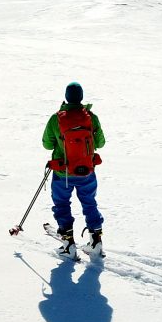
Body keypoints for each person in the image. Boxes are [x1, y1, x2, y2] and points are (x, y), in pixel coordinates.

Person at [42, 82, 106, 257]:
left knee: (62, 204)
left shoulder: (57, 119)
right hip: (87, 171)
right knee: (89, 203)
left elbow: (47, 145)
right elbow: (100, 143)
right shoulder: (91, 118)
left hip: (63, 174)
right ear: (81, 97)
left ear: (66, 97)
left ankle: (68, 244)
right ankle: (96, 241)